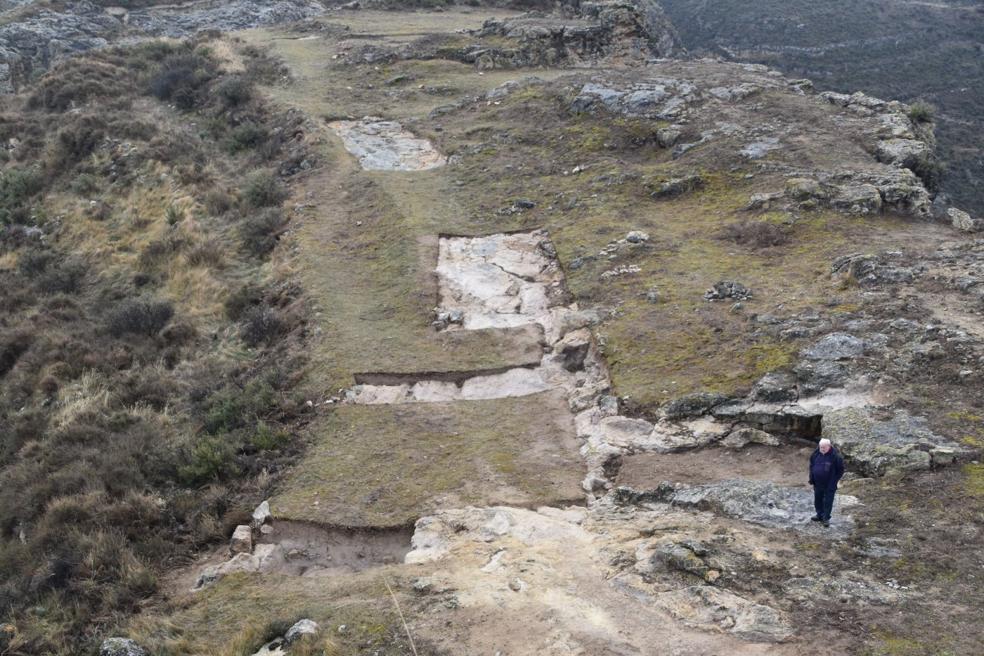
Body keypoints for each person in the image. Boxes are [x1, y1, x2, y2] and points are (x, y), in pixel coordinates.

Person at [809, 438, 844, 527]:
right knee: (818, 500)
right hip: (817, 483)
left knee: (828, 501)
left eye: (824, 447)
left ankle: (826, 518)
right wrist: (811, 478)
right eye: (821, 447)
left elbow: (840, 471)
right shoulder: (815, 454)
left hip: (829, 484)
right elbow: (812, 466)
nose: (822, 449)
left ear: (829, 446)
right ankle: (819, 515)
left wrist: (834, 482)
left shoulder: (835, 456)